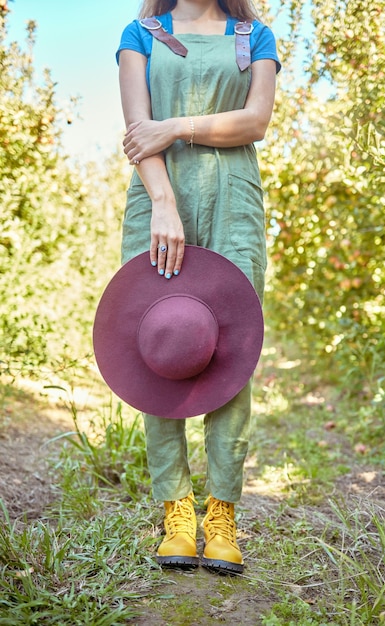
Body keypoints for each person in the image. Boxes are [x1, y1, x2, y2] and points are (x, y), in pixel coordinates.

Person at [116, 0, 280, 575]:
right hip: (157, 199)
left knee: (229, 352)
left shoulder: (254, 35)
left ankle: (223, 516)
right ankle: (177, 513)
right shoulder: (140, 33)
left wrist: (177, 126)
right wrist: (163, 202)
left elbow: (255, 122)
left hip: (235, 203)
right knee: (159, 349)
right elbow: (139, 131)